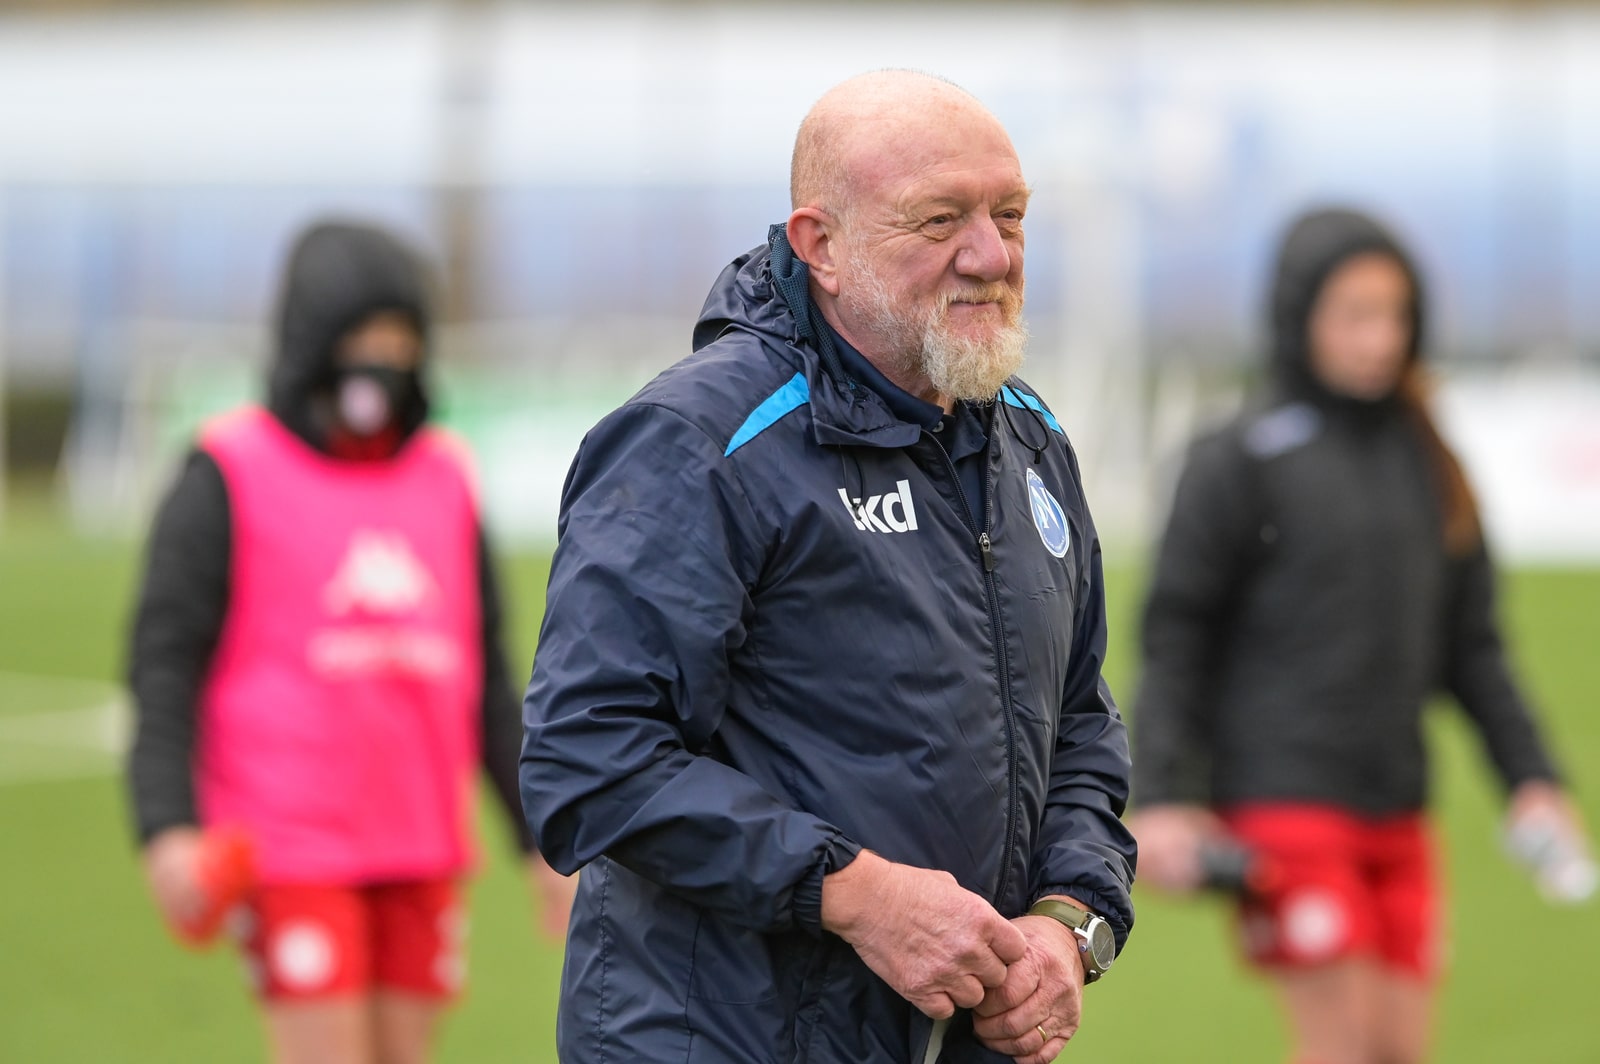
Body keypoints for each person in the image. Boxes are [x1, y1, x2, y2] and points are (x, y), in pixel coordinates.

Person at [519, 70, 1137, 1064]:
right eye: (939, 219)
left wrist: (1069, 921)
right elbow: (588, 758)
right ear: (821, 246)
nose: (990, 254)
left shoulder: (1031, 438)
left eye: (1011, 215)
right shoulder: (698, 440)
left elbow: (1079, 724)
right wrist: (855, 893)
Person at [1128, 207, 1591, 1064]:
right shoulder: (1240, 457)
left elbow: (1473, 647)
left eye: (1395, 314)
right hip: (1284, 803)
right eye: (1355, 314)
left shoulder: (1428, 457)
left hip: (1400, 807)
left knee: (1398, 1053)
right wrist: (1159, 796)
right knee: (1341, 1052)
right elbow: (1176, 636)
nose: (1379, 338)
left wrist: (1532, 779)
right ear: (1298, 313)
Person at [126, 220, 575, 1064]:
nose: (382, 362)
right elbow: (162, 664)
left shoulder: (444, 475)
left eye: (399, 342)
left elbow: (488, 681)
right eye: (362, 340)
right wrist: (167, 826)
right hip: (290, 846)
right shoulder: (228, 469)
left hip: (420, 843)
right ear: (312, 341)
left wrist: (541, 839)